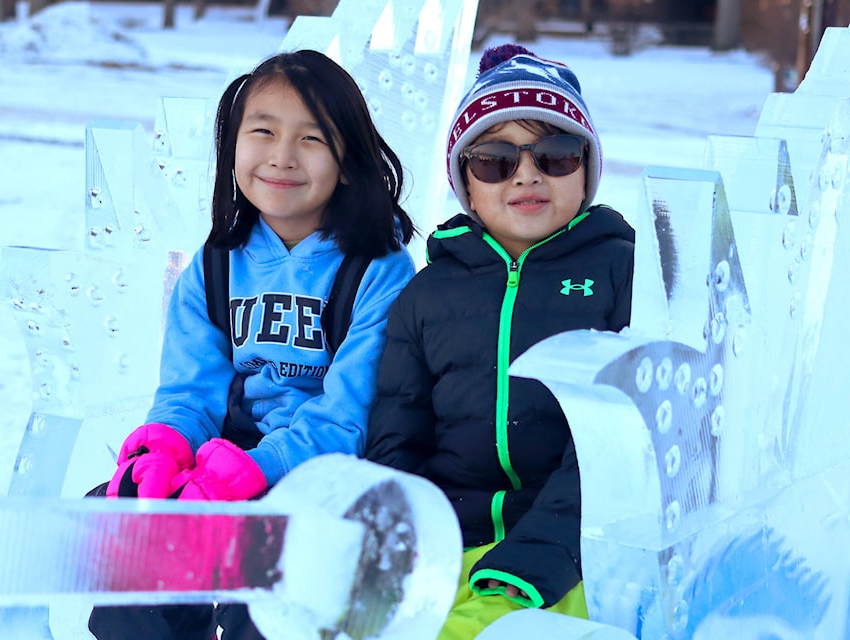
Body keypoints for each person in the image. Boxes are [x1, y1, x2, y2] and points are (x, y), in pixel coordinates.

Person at [89, 49, 417, 640]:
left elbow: (347, 421)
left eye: (312, 139)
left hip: (324, 476)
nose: (282, 156)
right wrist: (166, 446)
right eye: (262, 131)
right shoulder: (215, 266)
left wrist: (250, 472)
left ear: (347, 162)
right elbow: (188, 393)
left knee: (264, 599)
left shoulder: (380, 271)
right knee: (132, 541)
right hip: (222, 459)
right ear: (232, 147)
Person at [366, 43, 635, 640]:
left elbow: (610, 448)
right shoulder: (427, 293)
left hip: (572, 553)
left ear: (587, 167)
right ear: (465, 178)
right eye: (494, 160)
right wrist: (395, 547)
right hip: (448, 544)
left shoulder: (625, 275)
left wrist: (530, 564)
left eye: (557, 154)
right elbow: (397, 438)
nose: (527, 174)